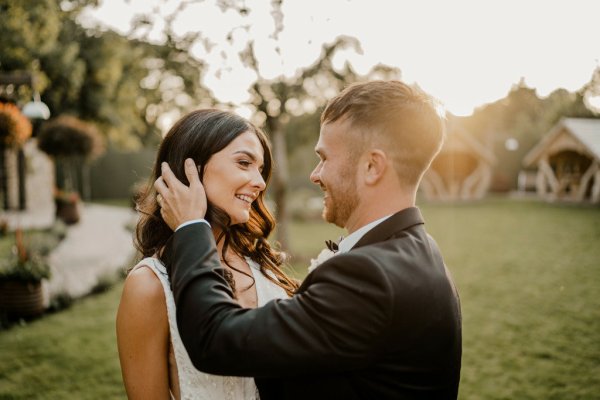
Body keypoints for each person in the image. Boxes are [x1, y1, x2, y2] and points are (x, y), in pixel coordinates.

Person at [155, 80, 462, 399]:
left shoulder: (370, 276)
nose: (316, 175)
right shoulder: (421, 250)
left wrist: (191, 226)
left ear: (372, 167)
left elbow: (214, 339)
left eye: (325, 158)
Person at [116, 109, 298, 399]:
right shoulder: (149, 285)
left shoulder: (262, 268)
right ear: (193, 168)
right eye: (243, 163)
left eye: (260, 169)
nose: (260, 182)